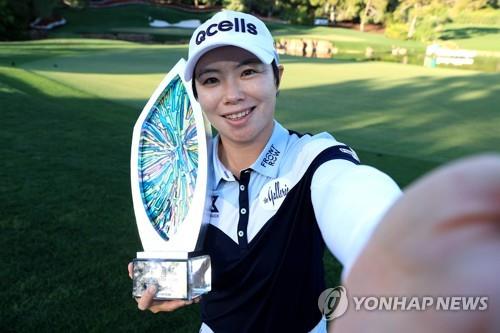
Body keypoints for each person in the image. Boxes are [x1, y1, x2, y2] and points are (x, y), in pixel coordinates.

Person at [128, 10, 500, 333]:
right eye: (212, 79)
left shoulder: (314, 158)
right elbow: (179, 248)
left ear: (278, 77)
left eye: (248, 71)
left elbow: (350, 191)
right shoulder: (184, 171)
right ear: (195, 92)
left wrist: (401, 245)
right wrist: (171, 275)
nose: (232, 95)